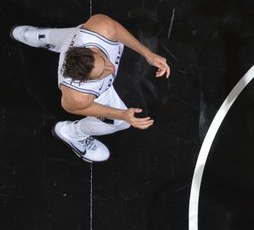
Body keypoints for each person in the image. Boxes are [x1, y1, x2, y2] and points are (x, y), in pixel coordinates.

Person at [10, 14, 171, 162]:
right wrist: (123, 115)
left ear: (90, 50)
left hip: (75, 38)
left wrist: (148, 54)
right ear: (84, 80)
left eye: (103, 60)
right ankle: (71, 133)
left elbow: (115, 29)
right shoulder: (77, 96)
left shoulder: (99, 27)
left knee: (71, 35)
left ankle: (39, 37)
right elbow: (90, 109)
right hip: (95, 90)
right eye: (102, 74)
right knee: (121, 124)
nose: (111, 69)